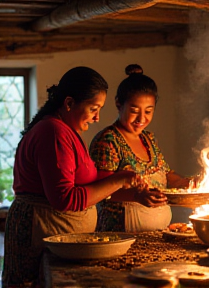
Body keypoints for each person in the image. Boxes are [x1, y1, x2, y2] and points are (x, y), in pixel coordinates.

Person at [1, 66, 143, 287]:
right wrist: (117, 180)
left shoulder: (66, 130)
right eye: (93, 108)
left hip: (56, 234)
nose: (97, 118)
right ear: (68, 103)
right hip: (40, 232)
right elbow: (65, 198)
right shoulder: (53, 132)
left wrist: (124, 181)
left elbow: (84, 183)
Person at [89, 64, 194, 233]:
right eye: (134, 110)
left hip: (157, 232)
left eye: (148, 111)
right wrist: (136, 196)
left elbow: (166, 175)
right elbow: (100, 190)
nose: (141, 118)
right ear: (118, 104)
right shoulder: (108, 141)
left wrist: (189, 183)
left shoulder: (148, 139)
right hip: (121, 234)